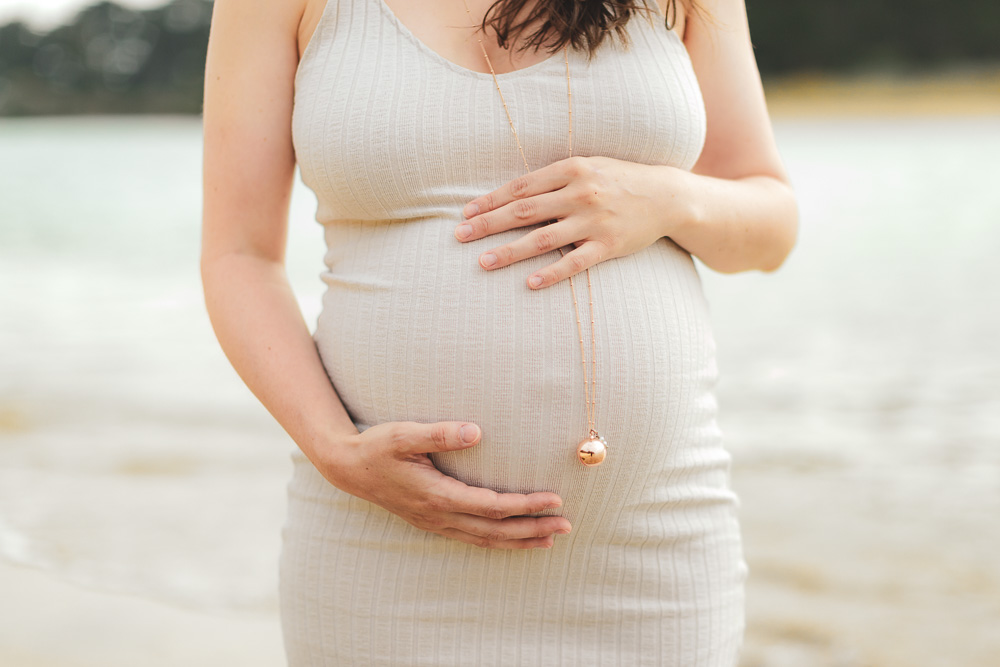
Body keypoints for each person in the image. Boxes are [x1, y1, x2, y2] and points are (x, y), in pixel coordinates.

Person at [200, 0, 797, 663]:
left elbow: (771, 224)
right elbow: (239, 255)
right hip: (380, 548)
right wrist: (334, 447)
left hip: (652, 551)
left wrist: (665, 198)